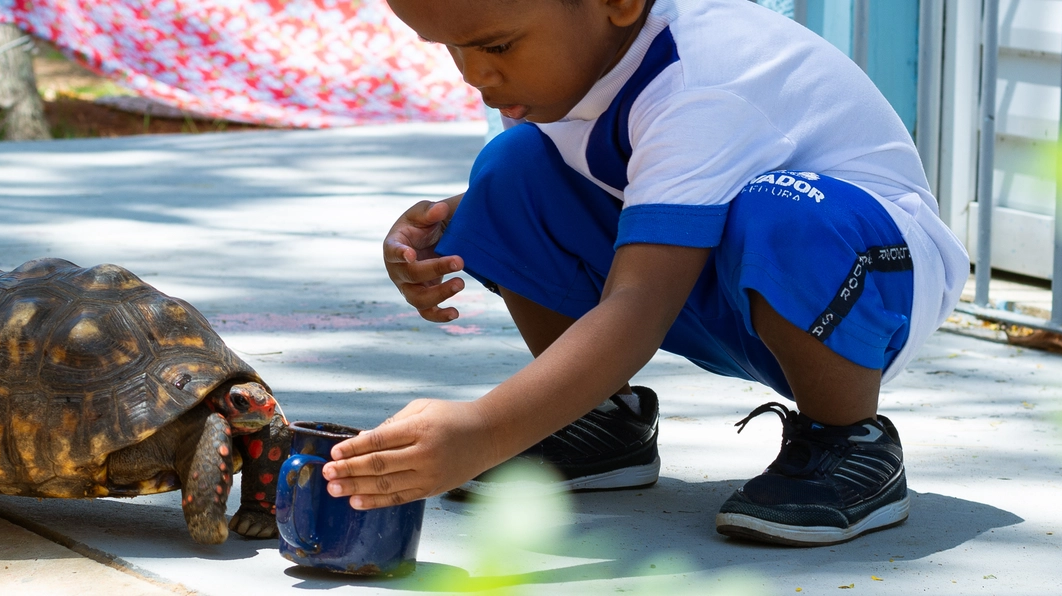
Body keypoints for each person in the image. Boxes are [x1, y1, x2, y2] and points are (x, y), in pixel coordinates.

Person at [318, 0, 968, 546]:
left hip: (872, 285)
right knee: (508, 171)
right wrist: (464, 225)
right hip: (732, 273)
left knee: (780, 215)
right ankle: (603, 421)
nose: (476, 76)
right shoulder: (584, 53)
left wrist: (483, 431)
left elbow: (637, 306)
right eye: (451, 49)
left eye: (496, 45)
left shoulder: (699, 80)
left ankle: (849, 441)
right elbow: (640, 187)